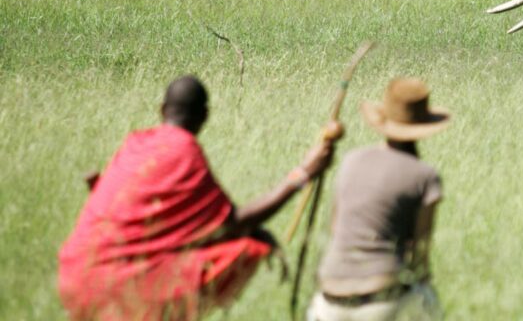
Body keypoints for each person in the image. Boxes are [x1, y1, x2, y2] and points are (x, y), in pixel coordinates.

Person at [58, 75, 337, 321]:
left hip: (74, 273)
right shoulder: (185, 150)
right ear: (204, 116)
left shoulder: (135, 143)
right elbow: (230, 224)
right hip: (116, 286)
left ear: (162, 110)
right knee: (246, 246)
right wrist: (302, 174)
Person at [307, 77, 450, 321]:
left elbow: (334, 227)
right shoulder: (425, 176)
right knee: (429, 303)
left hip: (329, 297)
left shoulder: (351, 160)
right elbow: (420, 256)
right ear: (424, 125)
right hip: (382, 300)